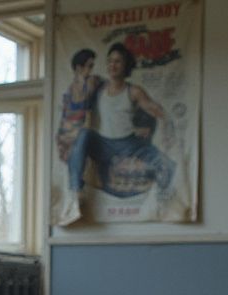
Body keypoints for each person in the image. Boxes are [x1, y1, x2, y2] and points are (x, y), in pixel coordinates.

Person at [66, 43, 175, 197]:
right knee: (83, 135)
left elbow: (155, 110)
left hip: (128, 144)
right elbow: (79, 102)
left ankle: (165, 198)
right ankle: (76, 189)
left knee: (166, 164)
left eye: (117, 61)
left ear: (125, 65)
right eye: (110, 61)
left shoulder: (133, 91)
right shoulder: (99, 87)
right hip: (104, 143)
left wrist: (167, 127)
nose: (113, 65)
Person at [57, 49, 102, 162]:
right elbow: (65, 117)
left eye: (92, 66)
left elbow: (87, 102)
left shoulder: (92, 81)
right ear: (79, 68)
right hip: (68, 136)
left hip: (82, 134)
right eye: (89, 66)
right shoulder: (69, 91)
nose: (91, 70)